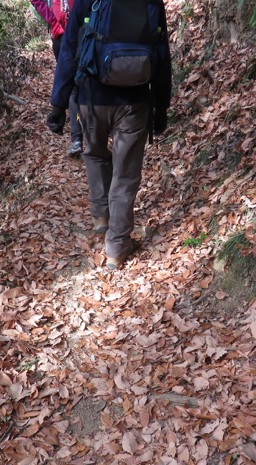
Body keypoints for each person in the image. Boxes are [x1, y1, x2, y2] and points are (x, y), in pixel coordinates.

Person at [46, 0, 171, 270]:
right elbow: (162, 56)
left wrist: (58, 105)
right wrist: (161, 108)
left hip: (92, 99)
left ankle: (101, 216)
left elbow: (69, 51)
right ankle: (116, 244)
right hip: (135, 102)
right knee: (126, 173)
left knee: (95, 153)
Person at [30, 0, 83, 157]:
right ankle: (77, 138)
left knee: (84, 81)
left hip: (84, 32)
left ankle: (87, 133)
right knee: (74, 85)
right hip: (61, 35)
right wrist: (53, 22)